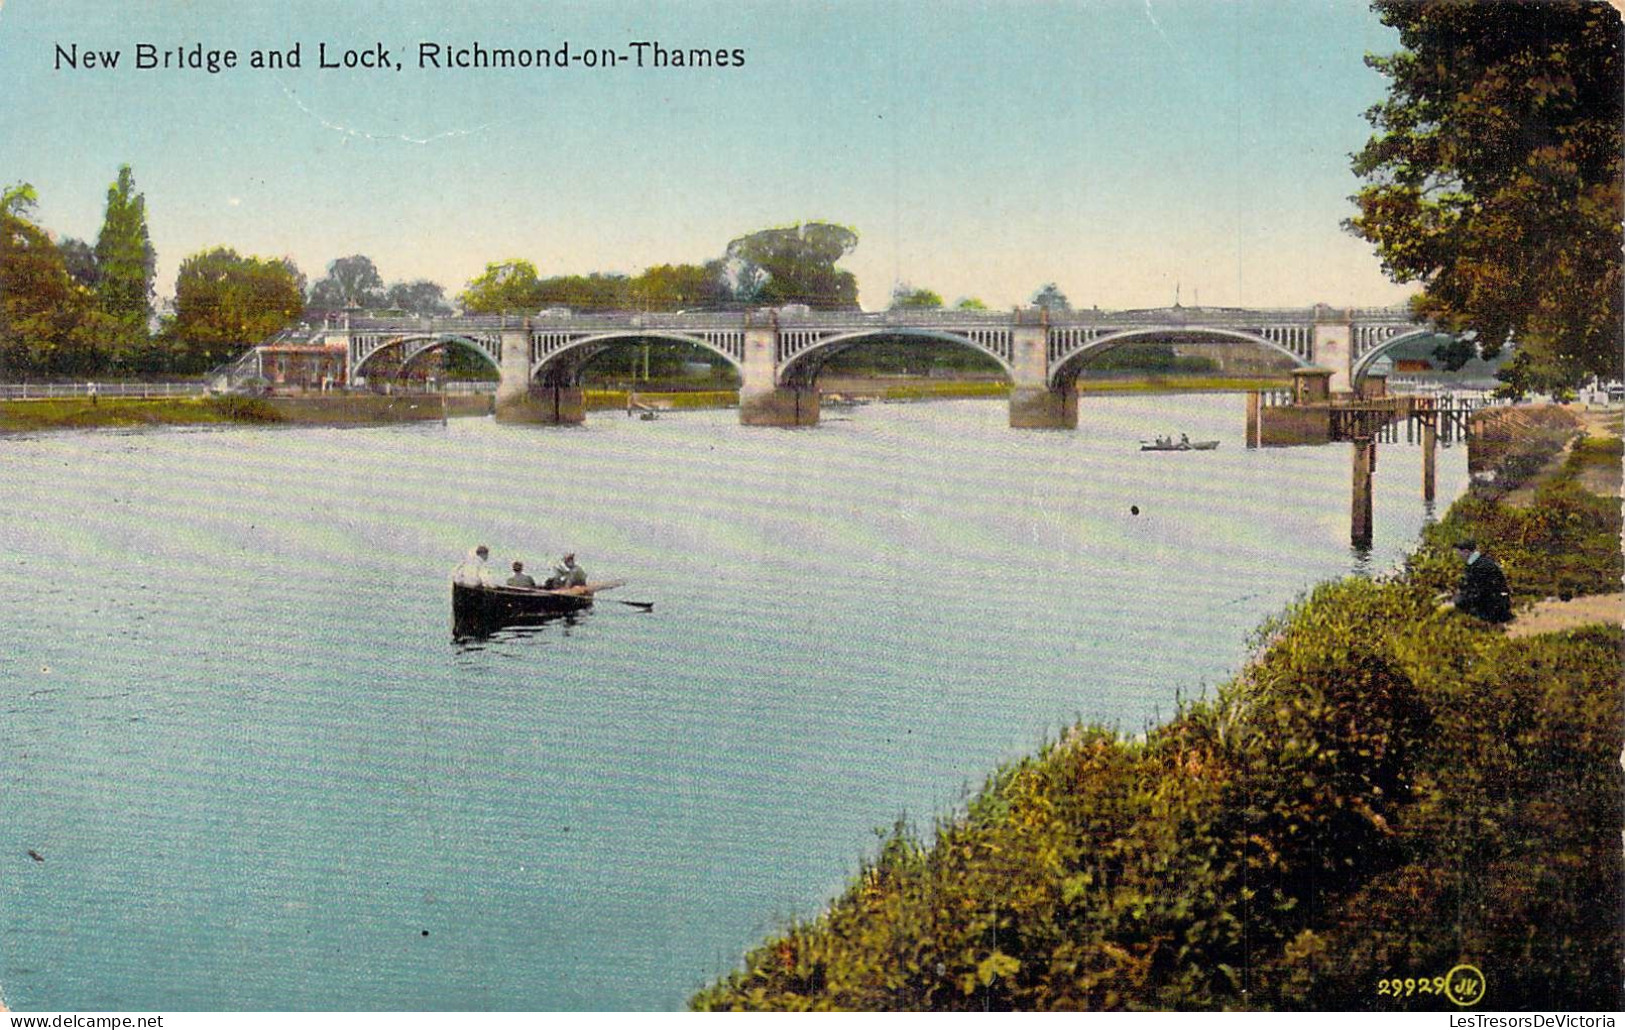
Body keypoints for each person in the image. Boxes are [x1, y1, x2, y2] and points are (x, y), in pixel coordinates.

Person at [1448, 539, 1512, 623]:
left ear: (1466, 552)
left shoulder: (1481, 567)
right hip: (1493, 603)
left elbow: (1478, 593)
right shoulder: (1479, 562)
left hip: (1494, 609)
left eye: (1458, 553)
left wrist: (1455, 603)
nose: (1458, 556)